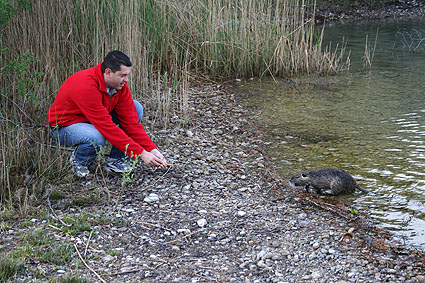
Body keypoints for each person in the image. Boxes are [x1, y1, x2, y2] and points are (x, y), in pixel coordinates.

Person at [47, 50, 167, 177]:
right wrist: (141, 154)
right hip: (63, 128)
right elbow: (107, 128)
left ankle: (117, 161)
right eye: (123, 75)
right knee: (96, 136)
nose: (126, 80)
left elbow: (132, 124)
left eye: (127, 75)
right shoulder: (86, 86)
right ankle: (80, 162)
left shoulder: (119, 85)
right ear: (108, 72)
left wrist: (152, 149)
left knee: (136, 107)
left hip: (91, 121)